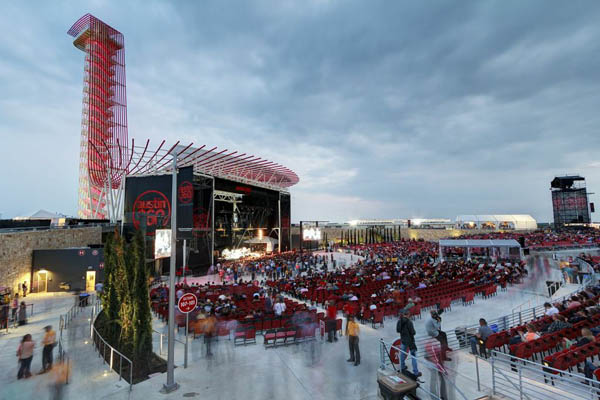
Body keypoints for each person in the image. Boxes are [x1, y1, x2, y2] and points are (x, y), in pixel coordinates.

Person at [396, 309, 421, 377]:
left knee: (402, 355)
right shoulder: (409, 322)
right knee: (414, 357)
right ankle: (416, 372)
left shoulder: (399, 321)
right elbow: (413, 332)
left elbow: (398, 330)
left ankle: (402, 367)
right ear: (408, 314)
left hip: (403, 340)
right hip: (410, 341)